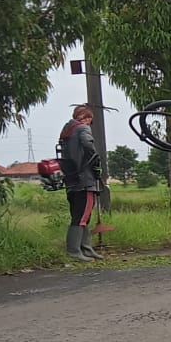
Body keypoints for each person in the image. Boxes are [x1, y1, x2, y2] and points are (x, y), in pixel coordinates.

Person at [58, 104, 103, 262]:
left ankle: (86, 248)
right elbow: (88, 145)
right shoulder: (83, 129)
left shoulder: (67, 131)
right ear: (88, 118)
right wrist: (96, 162)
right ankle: (74, 251)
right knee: (82, 216)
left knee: (80, 215)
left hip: (71, 180)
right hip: (85, 180)